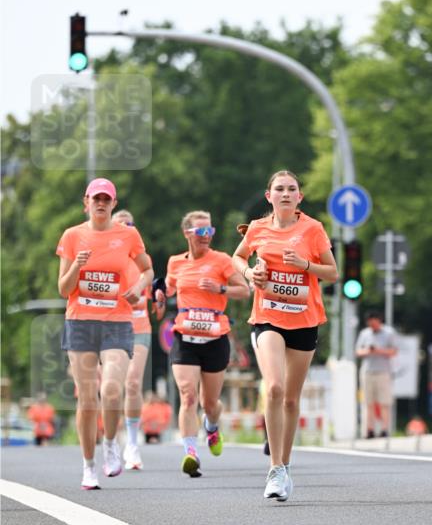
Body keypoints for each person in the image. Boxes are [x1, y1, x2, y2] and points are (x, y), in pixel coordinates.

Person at [232, 170, 338, 501]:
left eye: (292, 189)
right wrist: (250, 273)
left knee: (291, 399)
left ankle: (286, 465)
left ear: (299, 197)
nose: (286, 194)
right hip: (268, 318)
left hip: (304, 320)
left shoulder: (313, 229)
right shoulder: (257, 228)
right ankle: (274, 469)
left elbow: (333, 273)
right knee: (274, 388)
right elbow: (237, 257)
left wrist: (305, 265)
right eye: (280, 189)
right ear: (270, 196)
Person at [56, 178, 154, 490]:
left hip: (116, 323)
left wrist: (139, 287)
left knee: (112, 389)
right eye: (95, 198)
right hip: (81, 323)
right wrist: (77, 267)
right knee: (87, 398)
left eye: (106, 199)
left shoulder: (128, 235)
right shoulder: (72, 236)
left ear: (113, 203)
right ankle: (88, 466)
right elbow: (63, 289)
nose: (100, 203)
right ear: (86, 202)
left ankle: (110, 443)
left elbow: (148, 270)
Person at [162, 210, 249, 477]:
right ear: (187, 233)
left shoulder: (221, 260)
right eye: (201, 231)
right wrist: (159, 294)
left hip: (214, 339)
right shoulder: (175, 262)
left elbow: (244, 290)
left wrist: (220, 289)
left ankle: (211, 426)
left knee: (209, 403)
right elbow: (168, 288)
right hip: (185, 338)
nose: (206, 236)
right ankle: (191, 453)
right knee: (188, 395)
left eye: (210, 231)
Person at [112, 209, 164, 470]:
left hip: (139, 326)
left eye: (130, 225)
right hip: (112, 326)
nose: (126, 229)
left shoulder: (143, 258)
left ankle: (132, 444)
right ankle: (112, 440)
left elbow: (152, 289)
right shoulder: (107, 256)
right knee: (112, 387)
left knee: (133, 382)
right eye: (120, 225)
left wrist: (158, 296)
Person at [355, 311, 398, 438]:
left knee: (384, 402)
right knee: (368, 402)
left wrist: (379, 350)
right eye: (370, 324)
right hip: (368, 371)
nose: (372, 326)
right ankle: (369, 429)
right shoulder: (365, 334)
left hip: (383, 371)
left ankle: (384, 429)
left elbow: (394, 351)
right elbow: (358, 351)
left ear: (379, 321)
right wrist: (368, 350)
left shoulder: (389, 333)